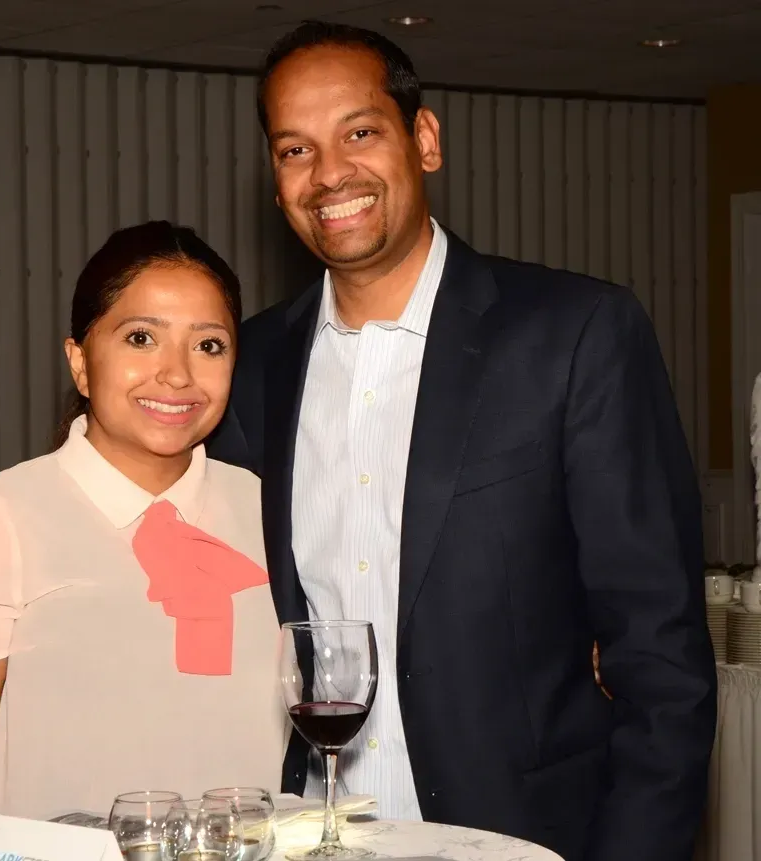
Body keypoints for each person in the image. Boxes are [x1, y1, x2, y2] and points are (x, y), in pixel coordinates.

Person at [207, 20, 717, 861]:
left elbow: (662, 658)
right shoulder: (252, 365)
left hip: (525, 839)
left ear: (425, 140)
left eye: (359, 133)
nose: (329, 173)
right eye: (295, 149)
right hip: (308, 835)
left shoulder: (574, 334)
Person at [0, 221, 286, 823]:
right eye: (141, 338)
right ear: (79, 363)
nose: (178, 374)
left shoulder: (272, 510)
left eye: (209, 345)